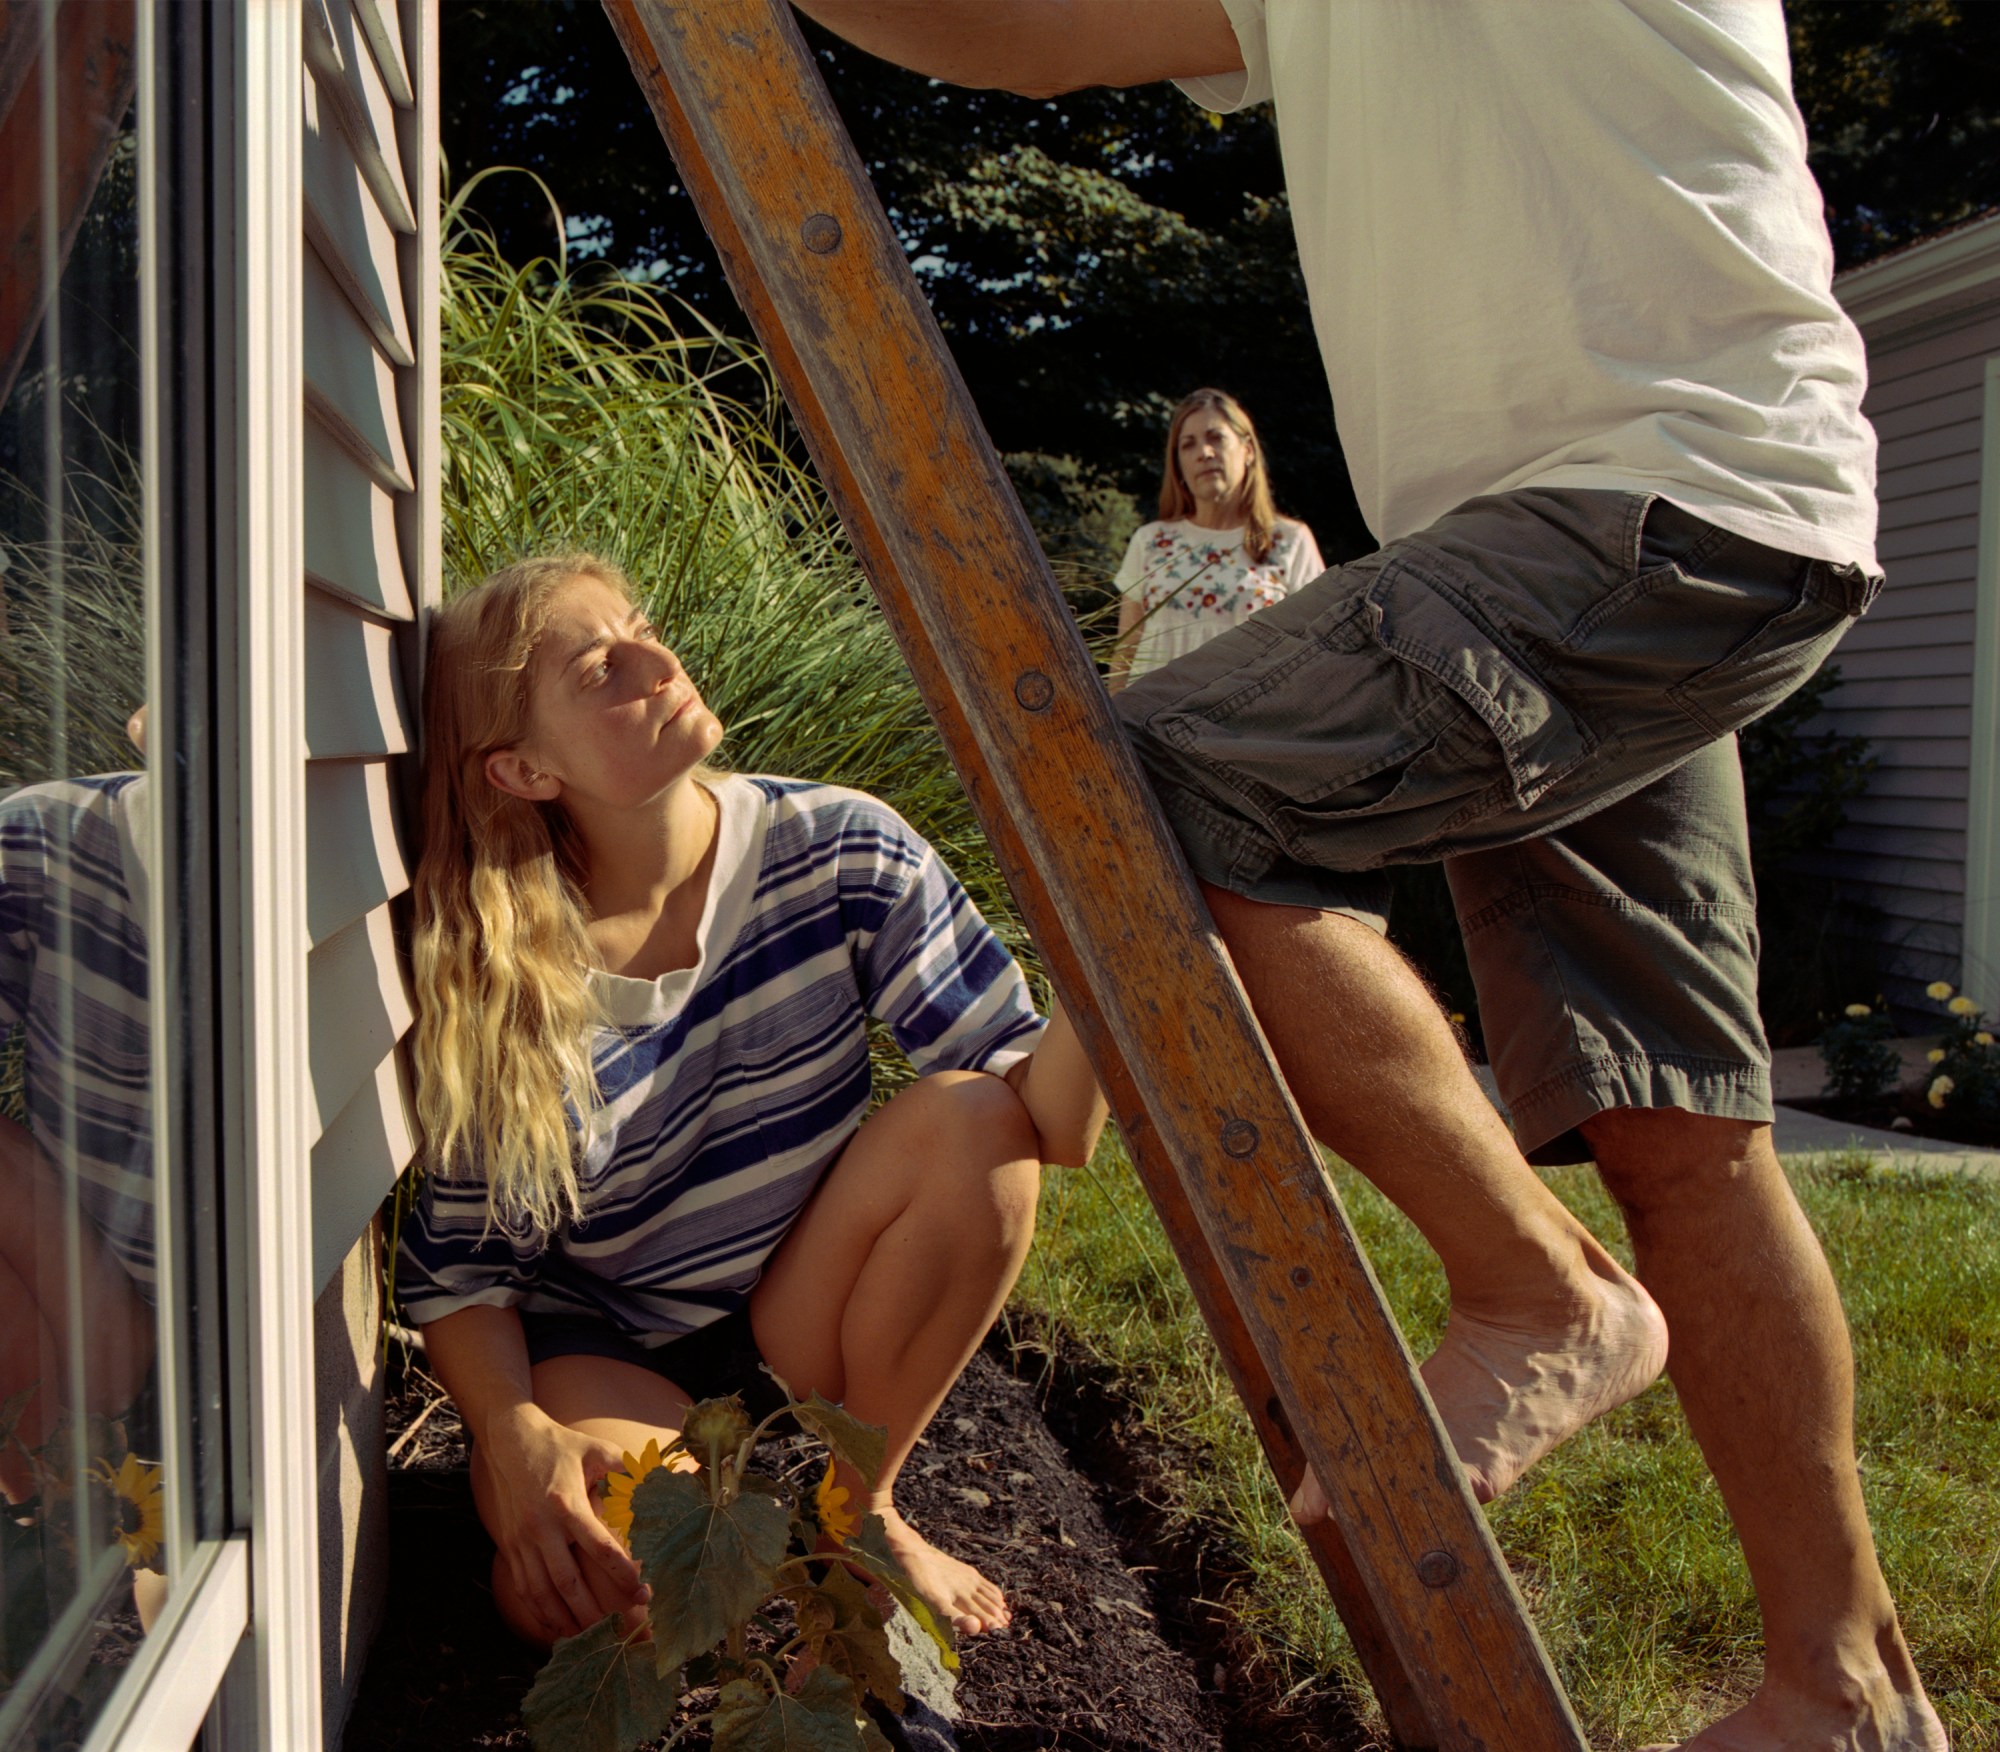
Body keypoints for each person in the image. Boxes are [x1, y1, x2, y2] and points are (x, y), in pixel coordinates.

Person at [791, 5, 1945, 1750]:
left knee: (1152, 781)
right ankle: (1848, 1686)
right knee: (1680, 1128)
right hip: (1592, 530)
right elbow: (1025, 34)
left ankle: (1540, 1294)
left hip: (1652, 514)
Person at [395, 553, 1107, 1650]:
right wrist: (511, 1433)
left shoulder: (838, 849)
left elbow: (1049, 1125)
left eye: (640, 627)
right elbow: (460, 1276)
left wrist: (1124, 944)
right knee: (623, 1606)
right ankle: (685, 1514)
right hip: (605, 1346)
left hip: (799, 1306)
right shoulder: (498, 969)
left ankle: (861, 1503)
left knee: (975, 1123)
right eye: (600, 668)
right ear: (525, 770)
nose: (658, 661)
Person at [1106, 388, 1322, 690]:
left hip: (1250, 728)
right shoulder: (1151, 541)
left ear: (1247, 449)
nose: (1204, 453)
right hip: (1150, 726)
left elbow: (1317, 652)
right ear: (1178, 462)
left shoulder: (1289, 541)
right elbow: (1123, 656)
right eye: (1188, 445)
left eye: (1216, 438)